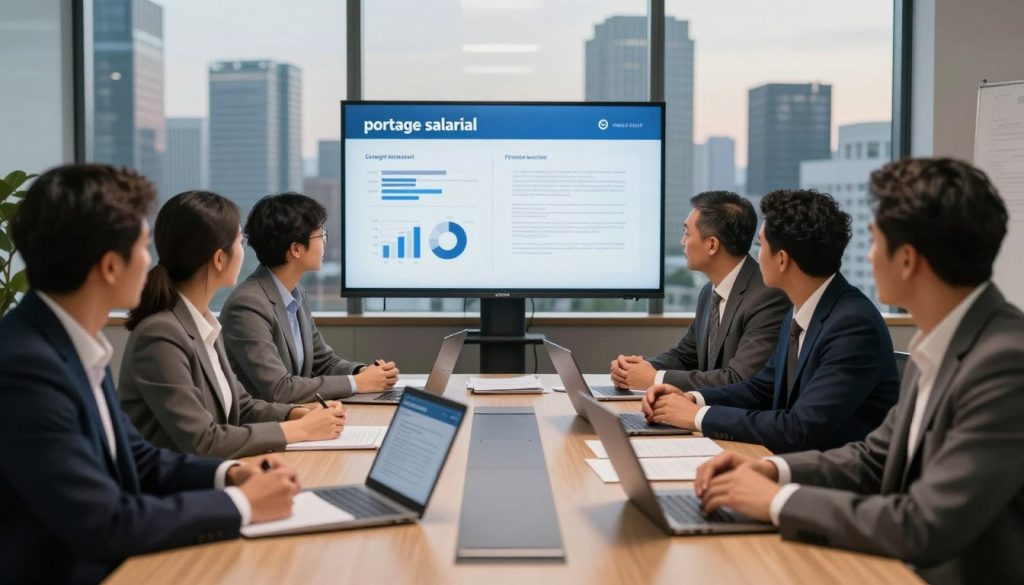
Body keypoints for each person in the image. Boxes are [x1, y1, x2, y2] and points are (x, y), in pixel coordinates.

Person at [693, 158, 1024, 585]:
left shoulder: (1004, 362)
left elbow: (923, 524)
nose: (866, 256)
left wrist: (778, 501)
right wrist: (774, 471)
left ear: (906, 260)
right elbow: (874, 457)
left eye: (873, 241)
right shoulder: (944, 341)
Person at [0, 165, 299, 585]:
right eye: (142, 248)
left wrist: (228, 475)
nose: (152, 261)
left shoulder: (72, 344)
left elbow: (135, 457)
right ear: (109, 267)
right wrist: (241, 504)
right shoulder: (26, 367)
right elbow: (106, 523)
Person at [642, 189, 899, 453]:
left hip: (829, 478)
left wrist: (697, 417)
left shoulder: (852, 325)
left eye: (760, 245)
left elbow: (800, 428)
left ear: (782, 259)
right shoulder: (801, 311)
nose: (755, 256)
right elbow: (760, 389)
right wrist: (691, 399)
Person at [118, 190, 346, 459]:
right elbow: (203, 441)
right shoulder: (160, 335)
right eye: (239, 242)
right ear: (219, 258)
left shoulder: (202, 322)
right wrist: (300, 430)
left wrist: (296, 413)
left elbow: (242, 405)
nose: (245, 250)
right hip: (177, 490)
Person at [220, 192, 398, 403]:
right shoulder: (247, 305)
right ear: (295, 249)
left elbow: (322, 362)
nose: (324, 241)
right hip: (268, 426)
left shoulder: (296, 294)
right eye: (320, 234)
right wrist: (357, 383)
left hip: (301, 417)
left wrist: (363, 372)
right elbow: (279, 389)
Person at [610, 191, 788, 391]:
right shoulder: (708, 292)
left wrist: (655, 379)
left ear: (712, 245)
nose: (682, 242)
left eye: (687, 233)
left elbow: (739, 379)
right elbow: (685, 355)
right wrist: (638, 369)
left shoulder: (766, 296)